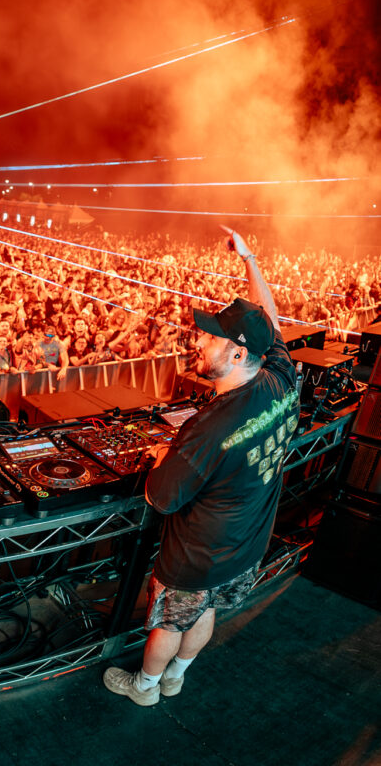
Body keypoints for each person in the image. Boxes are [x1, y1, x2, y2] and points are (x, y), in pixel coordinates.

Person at [103, 228, 298, 706]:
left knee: (170, 623)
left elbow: (161, 497)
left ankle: (145, 687)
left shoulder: (207, 428)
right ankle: (177, 677)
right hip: (247, 545)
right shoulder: (281, 375)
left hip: (196, 555)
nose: (198, 342)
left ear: (237, 354)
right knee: (206, 611)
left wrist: (160, 457)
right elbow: (269, 319)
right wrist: (249, 259)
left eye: (211, 338)